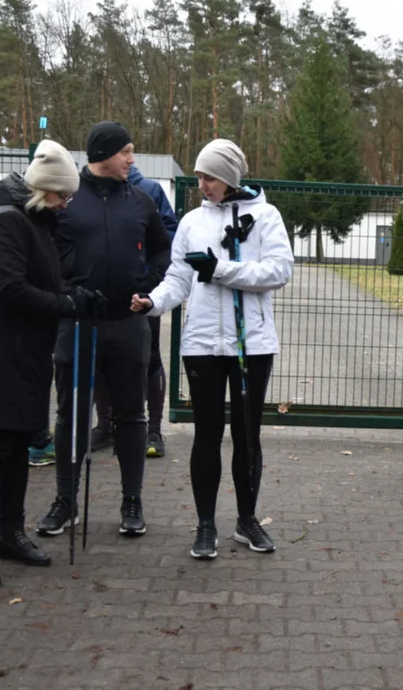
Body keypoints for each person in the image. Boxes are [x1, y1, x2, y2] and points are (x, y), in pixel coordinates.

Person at [0, 140, 104, 587]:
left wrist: (76, 290)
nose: (65, 204)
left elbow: (43, 279)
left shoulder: (38, 223)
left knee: (17, 451)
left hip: (26, 356)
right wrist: (68, 302)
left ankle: (10, 534)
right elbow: (13, 290)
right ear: (42, 189)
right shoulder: (6, 222)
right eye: (61, 196)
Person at [131, 138, 293, 560]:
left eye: (209, 177)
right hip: (202, 343)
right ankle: (205, 525)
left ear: (230, 177)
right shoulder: (191, 222)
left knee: (247, 434)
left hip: (252, 344)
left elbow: (278, 271)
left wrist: (220, 270)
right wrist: (154, 301)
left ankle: (246, 519)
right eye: (200, 176)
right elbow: (178, 278)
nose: (202, 183)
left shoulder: (266, 216)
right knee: (207, 434)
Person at [36, 121, 171, 539]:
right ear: (102, 155)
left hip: (129, 324)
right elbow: (44, 256)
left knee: (132, 416)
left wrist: (147, 287)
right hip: (77, 324)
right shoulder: (68, 200)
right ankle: (65, 501)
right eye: (126, 152)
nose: (132, 160)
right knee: (70, 415)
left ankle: (132, 500)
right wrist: (67, 293)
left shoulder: (141, 201)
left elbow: (162, 249)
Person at [88, 164, 179, 460]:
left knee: (149, 357)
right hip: (97, 299)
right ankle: (105, 425)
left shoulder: (149, 191)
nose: (126, 158)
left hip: (140, 298)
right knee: (98, 360)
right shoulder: (85, 191)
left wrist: (148, 280)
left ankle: (153, 429)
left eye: (128, 152)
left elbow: (167, 238)